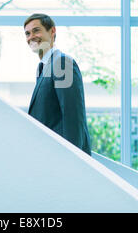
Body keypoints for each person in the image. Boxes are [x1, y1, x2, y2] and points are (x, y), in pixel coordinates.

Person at [24, 13, 92, 155]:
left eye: (36, 30)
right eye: (27, 33)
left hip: (63, 157)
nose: (31, 37)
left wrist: (73, 159)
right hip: (49, 154)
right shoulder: (43, 67)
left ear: (52, 31)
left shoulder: (62, 63)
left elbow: (72, 116)